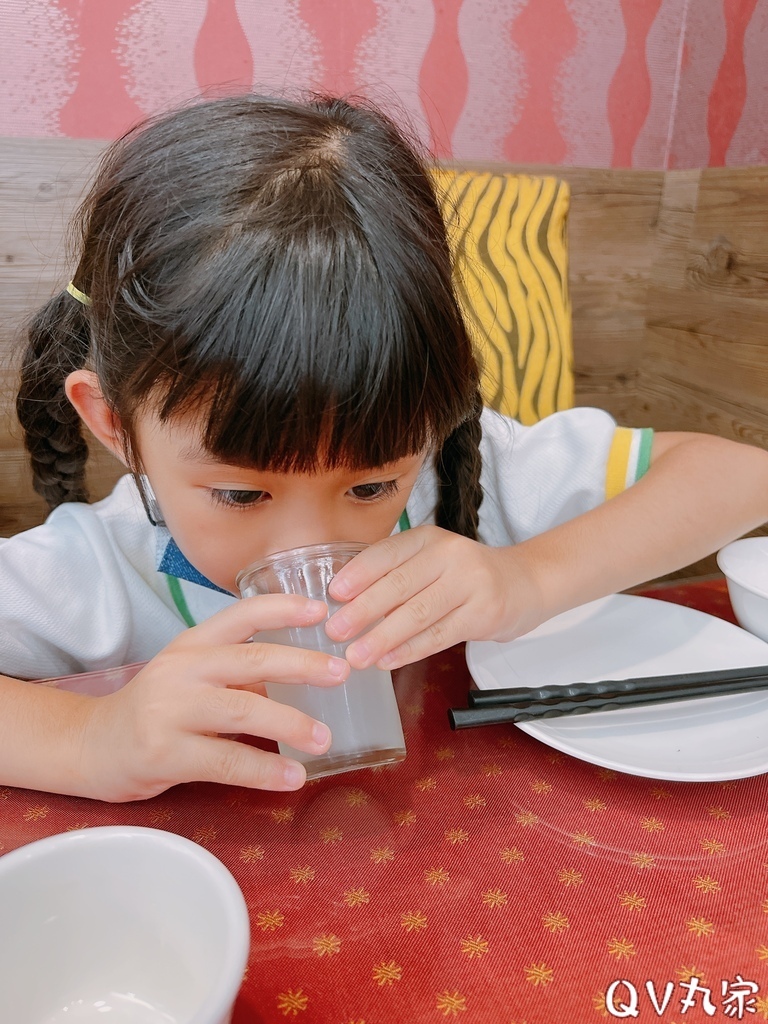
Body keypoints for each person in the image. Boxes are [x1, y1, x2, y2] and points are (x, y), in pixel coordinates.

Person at [1, 94, 767, 803]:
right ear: (112, 421)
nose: (313, 546)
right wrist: (88, 737)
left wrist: (525, 580)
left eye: (371, 488)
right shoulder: (91, 574)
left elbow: (741, 477)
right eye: (240, 494)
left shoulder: (466, 478)